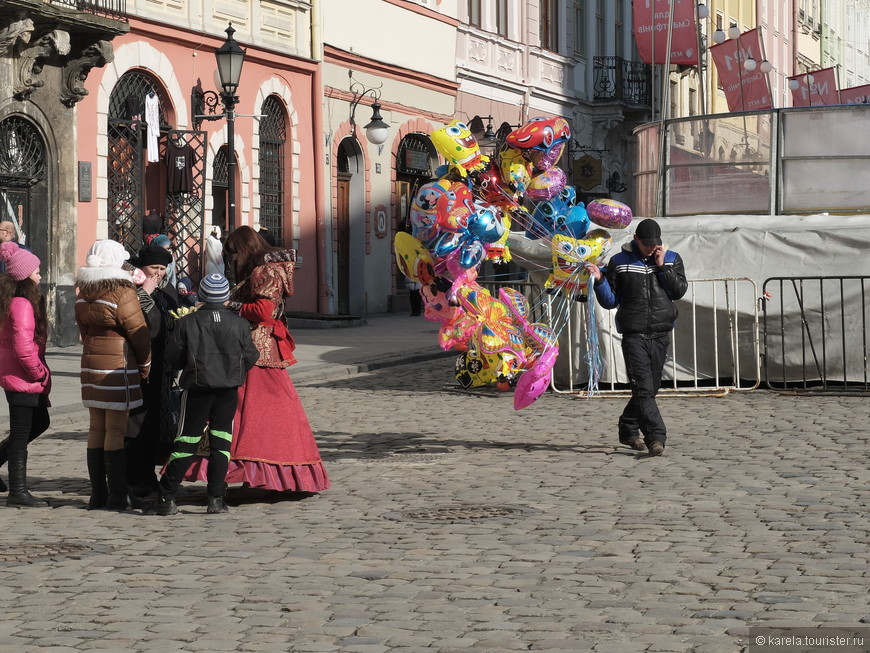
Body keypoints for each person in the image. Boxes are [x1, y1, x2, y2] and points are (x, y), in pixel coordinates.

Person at [180, 226, 330, 493]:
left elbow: (262, 311)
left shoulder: (264, 271)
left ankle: (260, 468)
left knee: (257, 412)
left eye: (234, 254)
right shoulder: (266, 269)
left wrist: (229, 306)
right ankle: (249, 470)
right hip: (255, 349)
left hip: (257, 350)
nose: (232, 260)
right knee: (254, 411)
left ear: (245, 249)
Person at [151, 273, 259, 516]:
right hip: (227, 390)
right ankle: (216, 498)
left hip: (197, 389)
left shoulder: (188, 323)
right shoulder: (239, 324)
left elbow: (174, 357)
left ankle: (166, 497)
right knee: (221, 444)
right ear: (225, 297)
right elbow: (251, 356)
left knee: (186, 441)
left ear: (201, 296)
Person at [587, 219, 688, 457]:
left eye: (656, 244)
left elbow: (678, 291)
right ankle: (656, 437)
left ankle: (628, 427)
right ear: (637, 240)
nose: (653, 248)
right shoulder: (619, 262)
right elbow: (610, 301)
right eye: (648, 245)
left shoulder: (672, 258)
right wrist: (599, 281)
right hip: (634, 333)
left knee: (650, 388)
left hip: (661, 331)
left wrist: (663, 267)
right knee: (643, 388)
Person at [75, 240, 152, 510]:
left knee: (96, 428)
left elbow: (83, 329)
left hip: (90, 361)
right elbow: (138, 332)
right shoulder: (122, 291)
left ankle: (98, 494)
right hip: (117, 362)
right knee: (116, 430)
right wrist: (145, 363)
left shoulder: (84, 291)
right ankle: (117, 495)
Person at [125, 244, 179, 506]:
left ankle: (149, 476)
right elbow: (134, 321)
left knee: (155, 425)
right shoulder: (132, 290)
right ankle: (136, 478)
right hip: (140, 367)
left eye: (162, 268)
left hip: (163, 368)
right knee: (137, 425)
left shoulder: (166, 290)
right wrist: (144, 293)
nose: (158, 273)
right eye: (153, 269)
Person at [0, 242, 51, 506]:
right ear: (25, 275)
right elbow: (23, 346)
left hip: (18, 374)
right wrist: (38, 373)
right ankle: (18, 492)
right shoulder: (21, 304)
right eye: (37, 271)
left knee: (40, 422)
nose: (40, 275)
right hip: (23, 376)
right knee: (21, 434)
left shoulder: (17, 300)